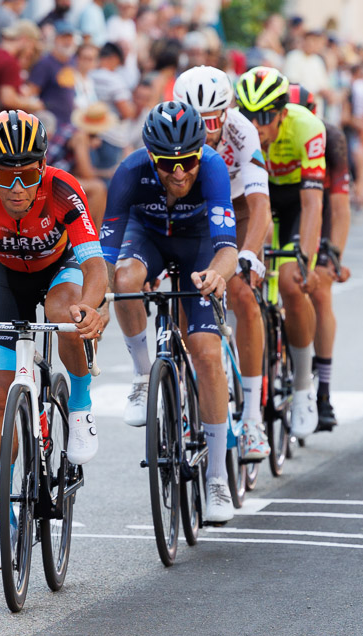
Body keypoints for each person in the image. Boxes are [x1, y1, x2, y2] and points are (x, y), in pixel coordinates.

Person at [0, 109, 106, 568]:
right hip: (5, 279)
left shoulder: (63, 189)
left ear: (42, 167)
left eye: (27, 174)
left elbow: (94, 267)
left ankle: (80, 405)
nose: (17, 188)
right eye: (6, 175)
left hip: (60, 271)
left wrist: (90, 307)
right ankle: (1, 518)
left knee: (64, 313)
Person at [100, 101, 238, 523]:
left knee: (207, 353)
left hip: (199, 243)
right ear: (150, 156)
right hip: (151, 239)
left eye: (188, 162)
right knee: (124, 281)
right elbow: (105, 257)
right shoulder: (129, 173)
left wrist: (216, 276)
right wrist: (102, 299)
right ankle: (144, 377)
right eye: (167, 164)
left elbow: (227, 248)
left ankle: (216, 478)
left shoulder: (213, 168)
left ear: (201, 152)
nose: (179, 173)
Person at [174, 65, 271, 460]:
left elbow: (259, 204)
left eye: (214, 119)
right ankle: (181, 392)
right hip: (194, 213)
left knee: (243, 295)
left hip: (237, 206)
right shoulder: (169, 126)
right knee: (180, 298)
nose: (208, 128)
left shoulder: (242, 131)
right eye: (200, 120)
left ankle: (251, 418)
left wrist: (248, 253)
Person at [235, 66, 324, 439]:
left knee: (290, 281)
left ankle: (303, 388)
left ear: (283, 114)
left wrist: (303, 258)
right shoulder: (233, 132)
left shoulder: (306, 128)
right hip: (251, 200)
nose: (257, 126)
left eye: (266, 117)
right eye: (248, 117)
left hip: (292, 203)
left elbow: (313, 204)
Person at [287, 83, 352, 431]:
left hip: (319, 212)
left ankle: (322, 393)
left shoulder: (331, 138)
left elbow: (339, 207)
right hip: (284, 210)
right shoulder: (269, 136)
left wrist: (333, 256)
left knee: (320, 287)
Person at [27, 21, 78, 127]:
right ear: (55, 39)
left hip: (69, 121)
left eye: (70, 38)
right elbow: (31, 93)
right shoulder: (45, 63)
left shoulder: (72, 61)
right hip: (51, 124)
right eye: (63, 38)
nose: (68, 42)